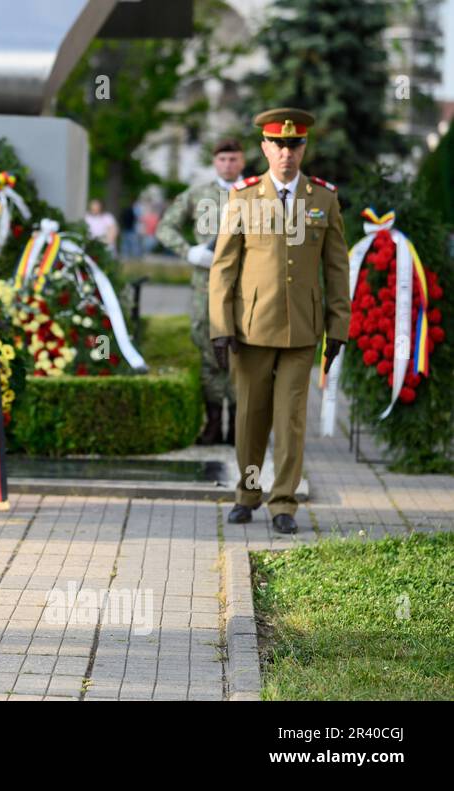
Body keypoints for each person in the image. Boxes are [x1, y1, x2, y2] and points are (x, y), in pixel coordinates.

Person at [209, 107, 349, 534]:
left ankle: (283, 502)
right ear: (264, 148)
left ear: (305, 148)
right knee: (251, 416)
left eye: (295, 144)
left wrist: (338, 327)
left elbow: (337, 269)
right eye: (279, 144)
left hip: (302, 329)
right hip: (251, 328)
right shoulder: (244, 197)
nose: (287, 152)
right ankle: (247, 494)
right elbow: (224, 267)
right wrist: (221, 326)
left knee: (291, 418)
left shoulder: (323, 198)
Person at [156, 138, 245, 444]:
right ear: (215, 162)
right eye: (222, 159)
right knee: (209, 349)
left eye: (233, 159)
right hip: (205, 283)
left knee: (239, 351)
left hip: (243, 284)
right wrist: (189, 251)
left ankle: (236, 425)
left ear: (242, 162)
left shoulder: (257, 195)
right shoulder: (198, 194)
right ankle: (212, 422)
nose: (228, 165)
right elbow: (165, 227)